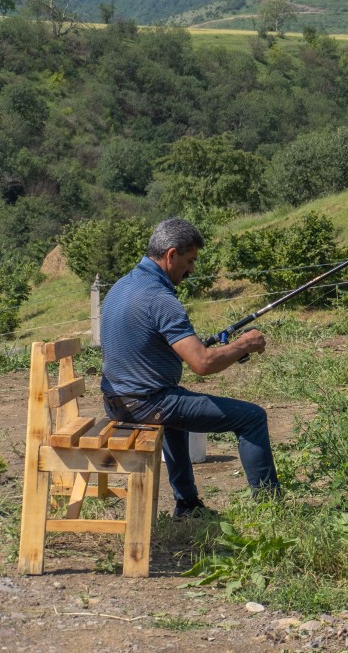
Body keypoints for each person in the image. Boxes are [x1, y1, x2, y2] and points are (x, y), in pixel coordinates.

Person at [100, 217, 279, 518]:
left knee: (176, 407)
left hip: (116, 400)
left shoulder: (122, 285)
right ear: (171, 255)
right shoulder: (160, 298)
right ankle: (271, 509)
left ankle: (186, 503)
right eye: (190, 260)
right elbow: (202, 363)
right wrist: (244, 345)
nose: (192, 269)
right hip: (144, 404)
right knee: (252, 418)